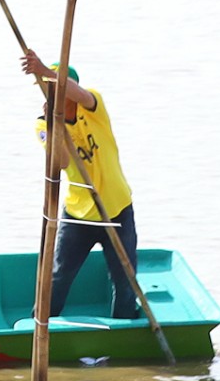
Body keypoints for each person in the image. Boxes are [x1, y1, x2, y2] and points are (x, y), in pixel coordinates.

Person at [24, 47, 143, 321]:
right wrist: (55, 125)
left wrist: (43, 70)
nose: (50, 91)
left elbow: (80, 95)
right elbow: (63, 162)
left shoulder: (93, 106)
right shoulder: (43, 125)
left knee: (125, 279)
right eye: (46, 87)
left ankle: (124, 330)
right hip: (79, 214)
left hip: (116, 208)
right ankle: (40, 329)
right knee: (58, 277)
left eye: (55, 85)